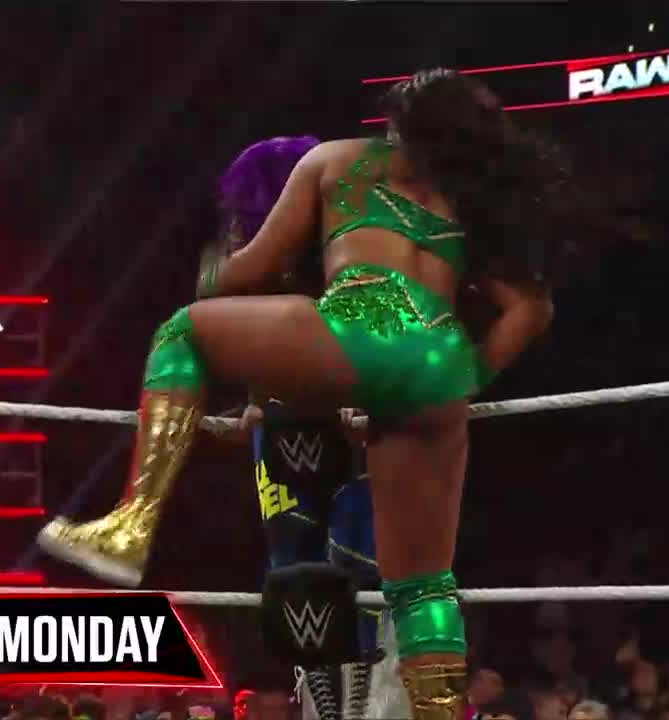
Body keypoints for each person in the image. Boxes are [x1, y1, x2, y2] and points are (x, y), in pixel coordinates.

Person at [41, 67, 618, 718]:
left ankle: (131, 525)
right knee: (423, 585)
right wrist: (465, 379)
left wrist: (210, 266)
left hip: (362, 326)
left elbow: (250, 271)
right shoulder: (467, 199)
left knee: (183, 335)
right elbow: (531, 310)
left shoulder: (339, 160)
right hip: (440, 361)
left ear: (398, 118)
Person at [205, 136, 398, 720]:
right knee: (295, 570)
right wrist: (254, 404)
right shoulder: (254, 261)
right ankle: (327, 709)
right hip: (286, 427)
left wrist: (371, 401)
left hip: (349, 423)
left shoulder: (350, 246)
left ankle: (356, 703)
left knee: (355, 557)